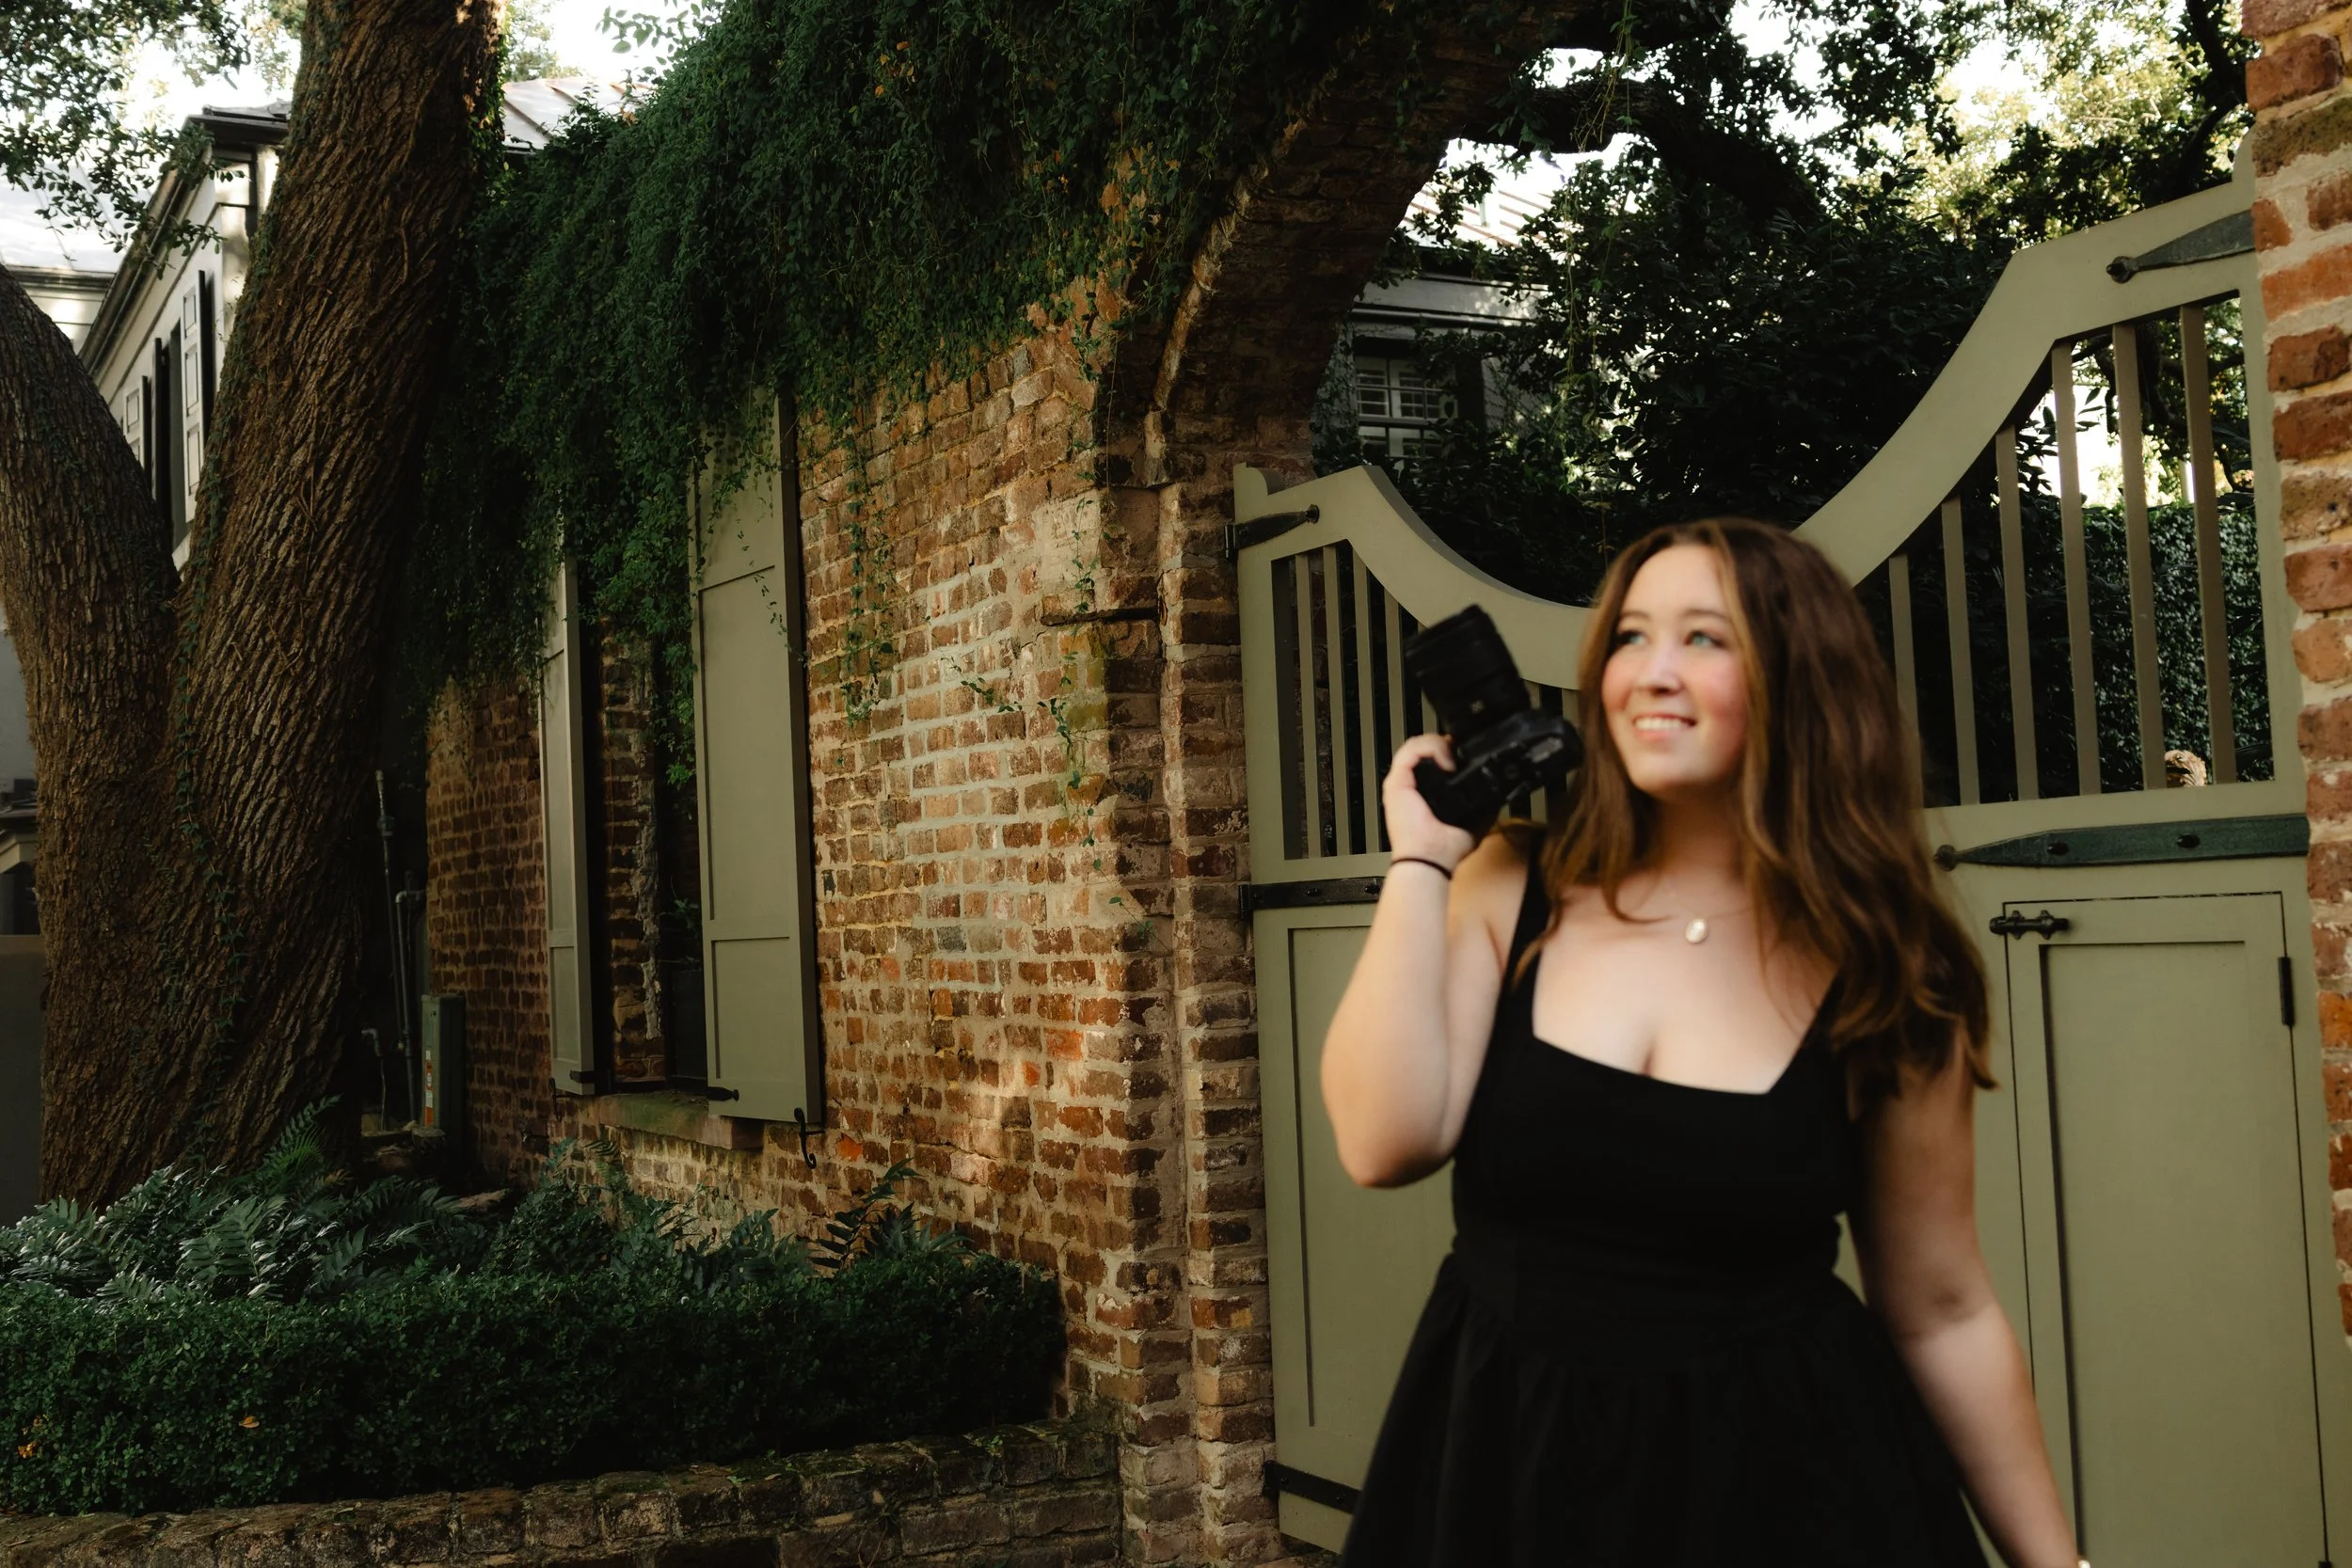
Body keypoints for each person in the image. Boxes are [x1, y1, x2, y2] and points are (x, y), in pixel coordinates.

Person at [1321, 519, 2082, 1567]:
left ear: (1799, 679)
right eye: (1630, 637)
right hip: (1507, 1467)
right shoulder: (1509, 886)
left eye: (1705, 640)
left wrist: (2061, 1565)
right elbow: (1382, 1140)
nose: (1652, 673)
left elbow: (1942, 1307)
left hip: (1782, 1489)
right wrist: (1422, 861)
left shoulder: (1887, 971)